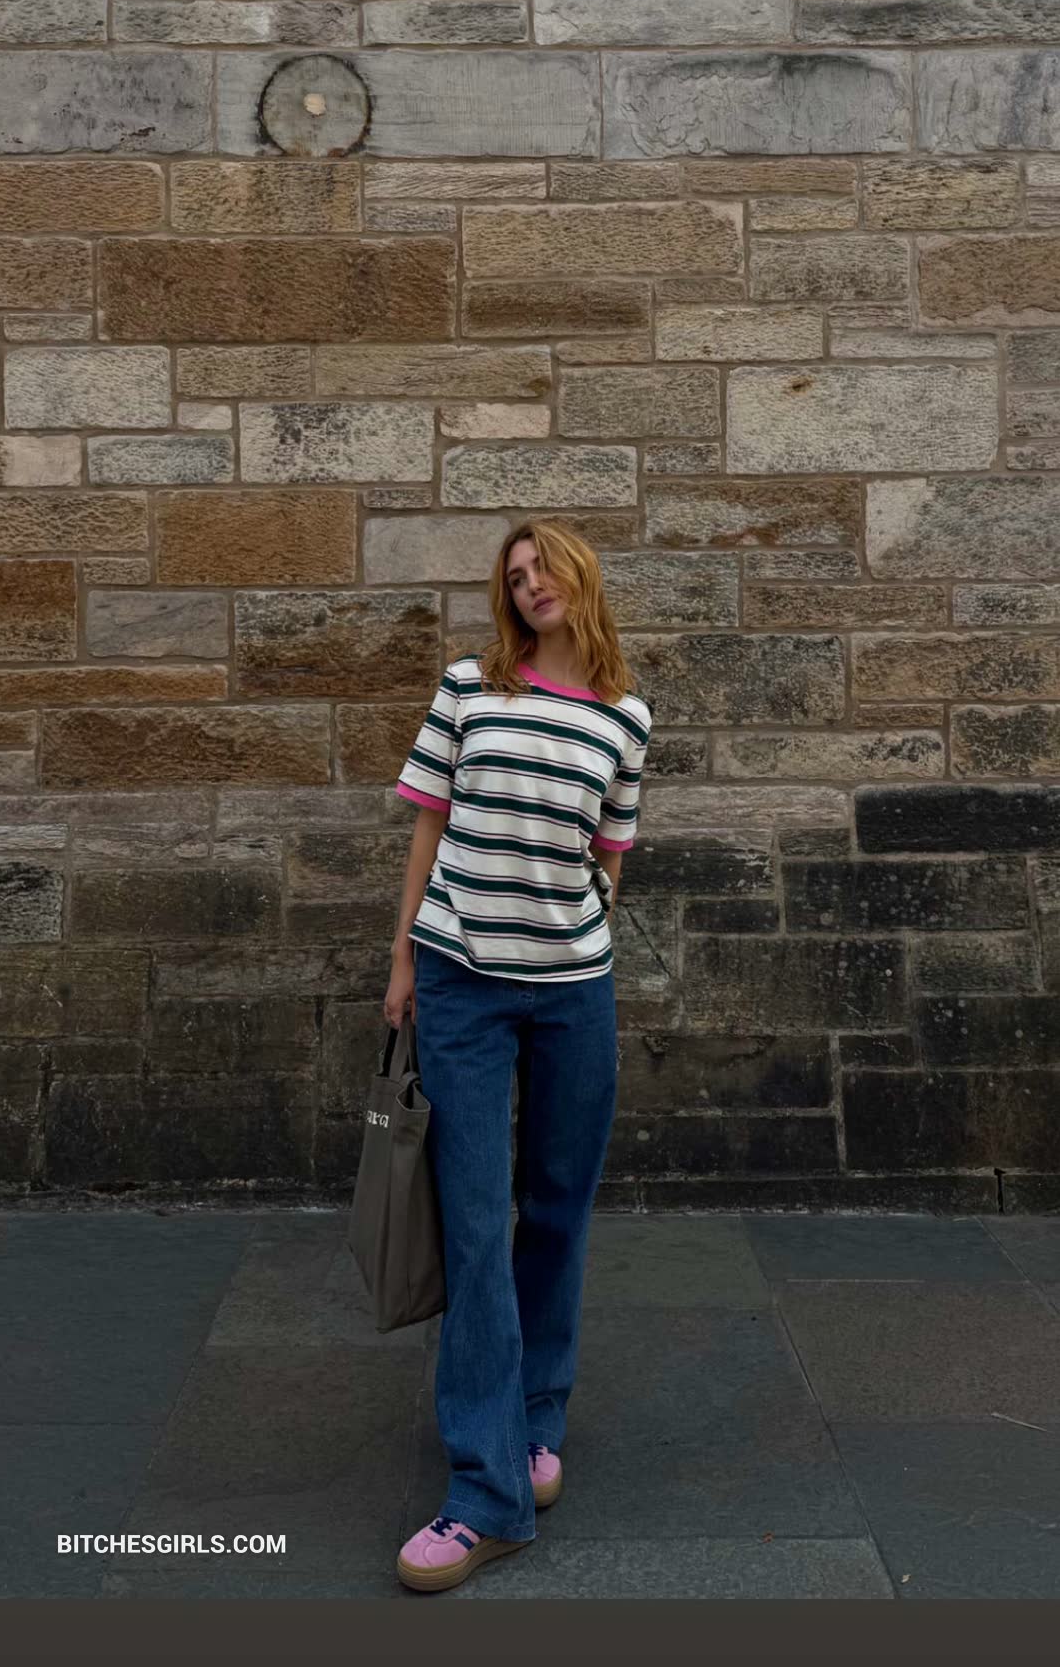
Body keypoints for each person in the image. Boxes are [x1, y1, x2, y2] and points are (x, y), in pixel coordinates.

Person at [383, 517, 653, 1593]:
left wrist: (578, 939)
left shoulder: (626, 718)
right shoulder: (469, 687)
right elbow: (426, 827)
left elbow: (609, 855)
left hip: (574, 991)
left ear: (580, 575)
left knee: (556, 1208)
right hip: (461, 983)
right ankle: (485, 1494)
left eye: (544, 568)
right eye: (516, 575)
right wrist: (403, 959)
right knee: (475, 1224)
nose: (532, 584)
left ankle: (537, 1421)